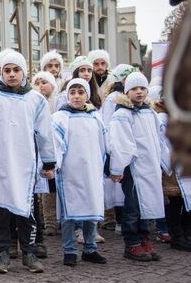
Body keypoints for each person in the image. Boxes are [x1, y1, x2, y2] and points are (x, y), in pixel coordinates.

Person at [0, 50, 56, 274]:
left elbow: (45, 133)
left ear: (24, 72)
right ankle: (2, 252)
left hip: (25, 165)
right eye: (7, 70)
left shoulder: (35, 99)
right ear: (0, 73)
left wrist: (48, 162)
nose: (11, 74)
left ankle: (29, 253)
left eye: (16, 70)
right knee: (0, 213)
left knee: (26, 211)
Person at [109, 72, 170, 262]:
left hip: (150, 168)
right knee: (133, 208)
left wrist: (165, 163)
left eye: (143, 88)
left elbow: (159, 140)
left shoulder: (150, 113)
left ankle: (144, 239)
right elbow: (120, 143)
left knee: (148, 206)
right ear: (127, 92)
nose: (139, 92)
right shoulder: (122, 114)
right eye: (134, 88)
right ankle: (132, 243)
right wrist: (117, 168)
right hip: (134, 169)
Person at [52, 78, 107, 266]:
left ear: (87, 95)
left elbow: (103, 144)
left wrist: (105, 165)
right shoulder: (60, 117)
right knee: (70, 212)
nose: (76, 96)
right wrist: (53, 165)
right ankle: (69, 250)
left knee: (91, 209)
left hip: (91, 171)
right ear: (67, 95)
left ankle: (90, 248)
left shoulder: (95, 116)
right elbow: (56, 144)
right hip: (69, 172)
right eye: (73, 92)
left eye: (80, 92)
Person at [153, 97, 191, 251]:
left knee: (188, 200)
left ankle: (187, 232)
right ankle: (177, 235)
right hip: (173, 164)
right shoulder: (162, 117)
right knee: (175, 200)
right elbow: (162, 142)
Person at [101, 64, 136, 233]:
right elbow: (108, 123)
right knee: (120, 186)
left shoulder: (132, 97)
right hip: (117, 146)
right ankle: (121, 222)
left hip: (131, 147)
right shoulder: (113, 98)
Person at [32, 70, 59, 239]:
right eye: (38, 82)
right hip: (37, 148)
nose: (41, 85)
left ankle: (57, 219)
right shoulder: (33, 101)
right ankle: (47, 220)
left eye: (45, 82)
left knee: (54, 186)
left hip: (54, 147)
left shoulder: (58, 102)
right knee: (43, 190)